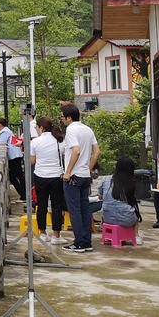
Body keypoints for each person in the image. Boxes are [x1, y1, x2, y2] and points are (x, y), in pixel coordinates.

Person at [60, 104, 100, 253]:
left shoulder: (71, 129)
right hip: (84, 175)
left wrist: (67, 172)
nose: (62, 120)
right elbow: (96, 151)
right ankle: (86, 241)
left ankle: (78, 243)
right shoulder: (87, 129)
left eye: (63, 117)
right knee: (85, 209)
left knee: (74, 210)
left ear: (69, 118)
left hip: (74, 176)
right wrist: (88, 168)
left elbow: (75, 151)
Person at [30, 117, 66, 245]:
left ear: (41, 128)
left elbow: (32, 161)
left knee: (42, 205)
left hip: (40, 176)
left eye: (36, 127)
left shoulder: (35, 142)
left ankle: (43, 233)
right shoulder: (59, 141)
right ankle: (56, 235)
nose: (36, 130)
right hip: (56, 176)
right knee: (57, 206)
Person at [98, 156, 142, 245]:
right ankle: (136, 236)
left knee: (105, 206)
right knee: (135, 210)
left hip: (108, 218)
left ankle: (106, 234)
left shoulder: (105, 179)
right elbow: (132, 200)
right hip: (127, 219)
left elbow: (100, 196)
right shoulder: (131, 182)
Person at [0, 117, 26, 199]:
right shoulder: (8, 130)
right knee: (20, 175)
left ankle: (23, 194)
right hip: (16, 155)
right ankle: (26, 194)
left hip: (13, 156)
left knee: (13, 177)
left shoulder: (4, 132)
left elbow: (1, 143)